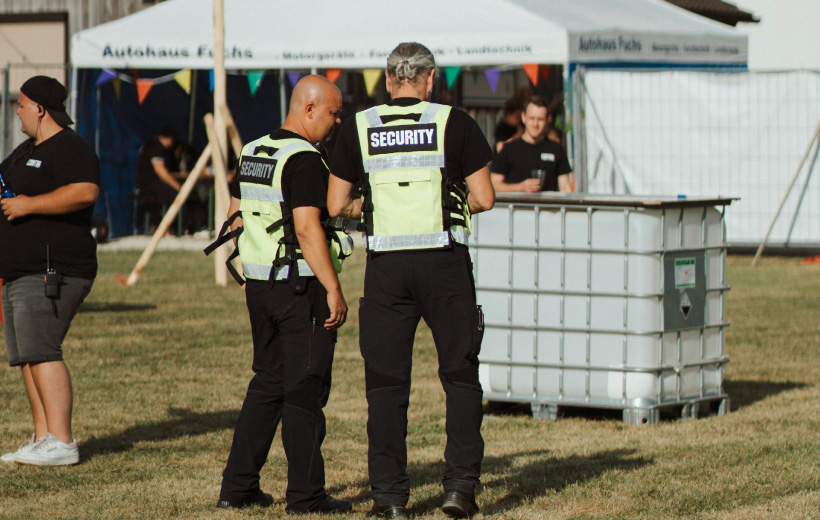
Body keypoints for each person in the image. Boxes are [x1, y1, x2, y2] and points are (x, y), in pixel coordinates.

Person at [327, 42, 496, 519]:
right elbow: (485, 197)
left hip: (387, 269)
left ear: (388, 80)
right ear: (431, 78)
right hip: (444, 263)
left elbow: (336, 204)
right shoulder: (454, 122)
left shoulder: (360, 126)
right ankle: (459, 489)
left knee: (385, 386)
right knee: (459, 376)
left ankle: (389, 498)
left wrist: (373, 207)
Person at [207, 75, 353, 515]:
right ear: (309, 109)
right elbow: (307, 228)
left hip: (261, 286)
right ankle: (307, 496)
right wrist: (333, 288)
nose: (337, 121)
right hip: (299, 286)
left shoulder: (254, 150)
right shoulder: (305, 159)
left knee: (267, 384)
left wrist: (250, 269)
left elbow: (235, 217)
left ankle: (238, 487)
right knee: (305, 390)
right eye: (333, 113)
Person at [0, 76, 99, 466]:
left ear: (40, 109)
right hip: (18, 270)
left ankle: (62, 440)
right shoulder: (25, 150)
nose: (17, 110)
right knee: (27, 356)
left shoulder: (71, 147)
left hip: (53, 269)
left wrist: (29, 204)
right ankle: (43, 438)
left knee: (43, 351)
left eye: (22, 104)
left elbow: (84, 192)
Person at [490, 95, 573, 193]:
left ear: (548, 120)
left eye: (540, 119)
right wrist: (520, 187)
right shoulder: (509, 149)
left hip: (548, 203)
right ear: (523, 117)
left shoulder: (556, 149)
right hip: (516, 203)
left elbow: (565, 188)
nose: (535, 124)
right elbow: (494, 184)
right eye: (532, 118)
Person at [136, 127, 180, 205]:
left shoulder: (152, 145)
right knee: (178, 195)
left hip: (148, 183)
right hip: (150, 184)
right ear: (171, 139)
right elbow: (160, 171)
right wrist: (177, 186)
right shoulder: (157, 148)